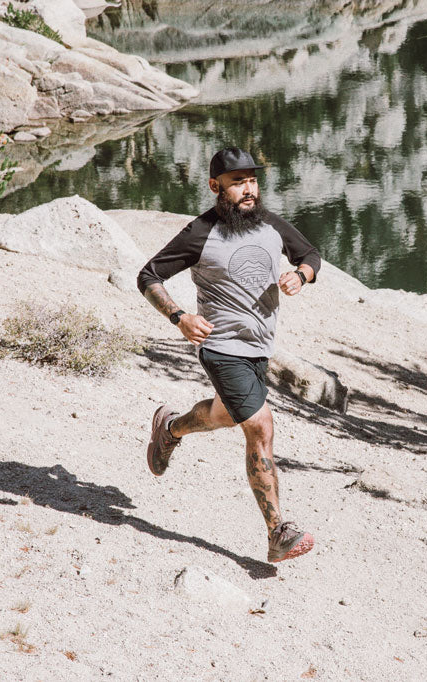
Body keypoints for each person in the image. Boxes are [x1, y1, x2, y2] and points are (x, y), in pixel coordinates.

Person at [136, 147, 321, 563]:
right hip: (221, 348)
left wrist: (300, 275)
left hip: (259, 348)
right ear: (215, 187)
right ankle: (278, 532)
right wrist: (180, 316)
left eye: (252, 180)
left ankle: (170, 429)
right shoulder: (201, 233)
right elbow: (148, 275)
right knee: (259, 424)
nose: (249, 189)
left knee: (225, 414)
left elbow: (311, 255)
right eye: (238, 182)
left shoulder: (271, 225)